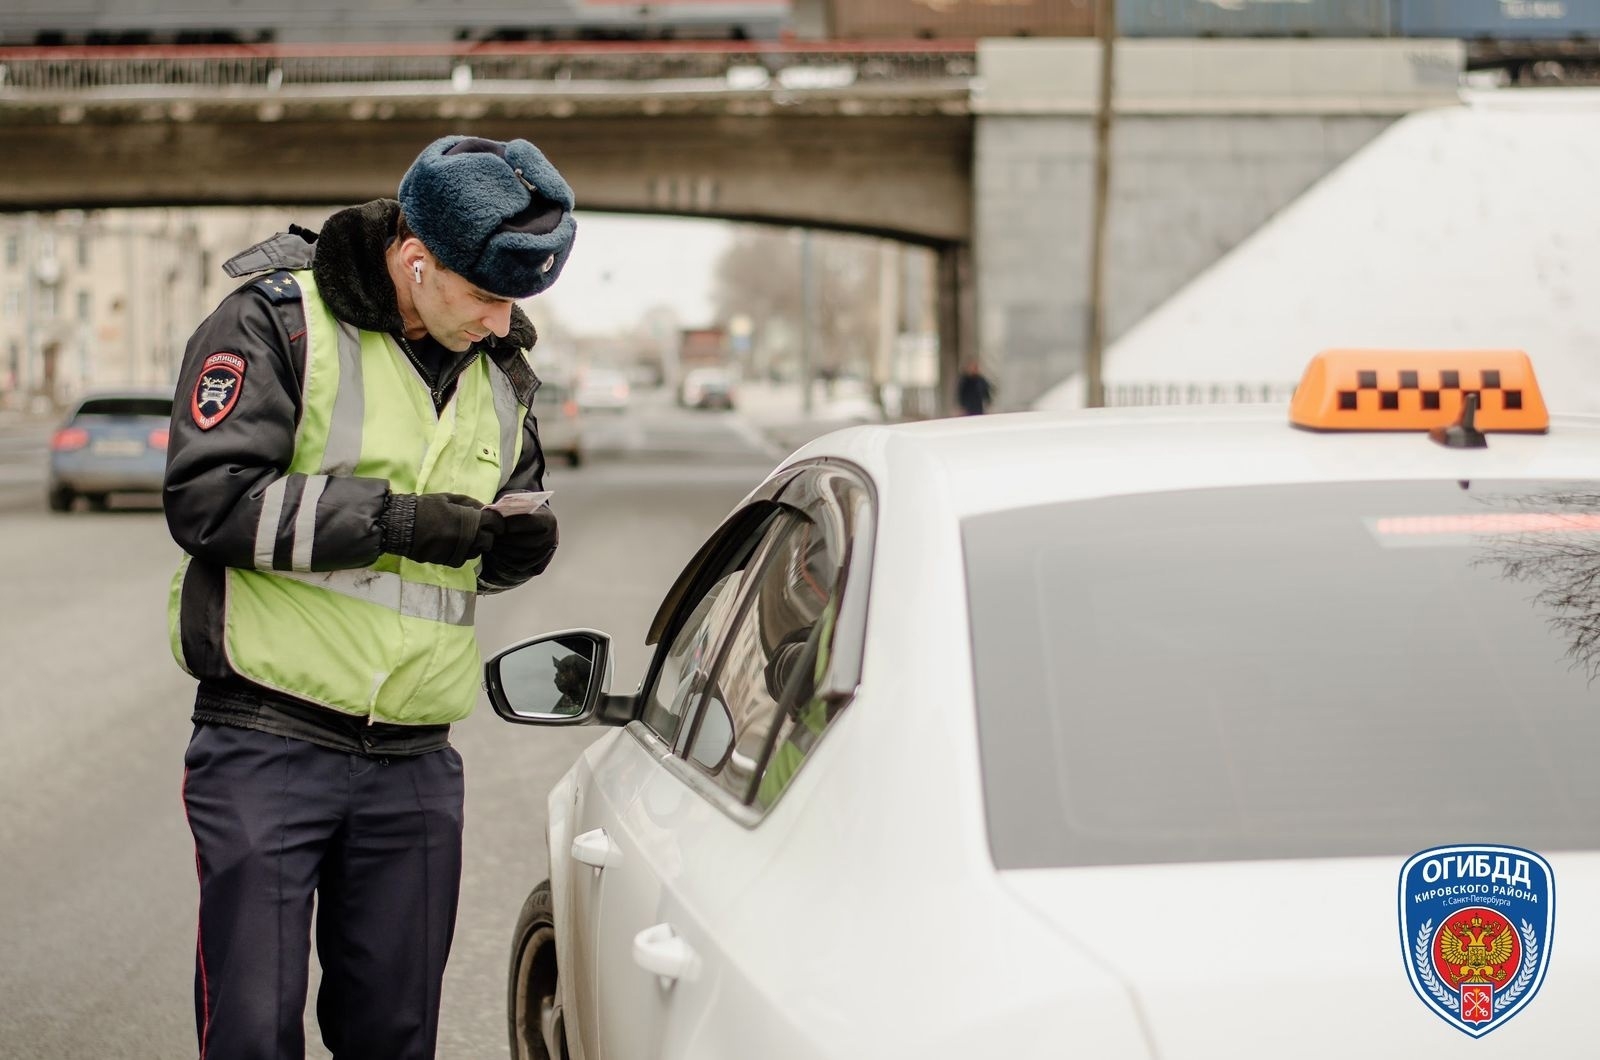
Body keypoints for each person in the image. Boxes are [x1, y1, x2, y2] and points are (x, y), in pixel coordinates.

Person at [163, 134, 576, 1060]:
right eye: (484, 294)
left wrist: (517, 546)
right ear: (415, 257)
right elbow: (208, 500)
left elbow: (492, 523)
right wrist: (395, 521)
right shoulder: (277, 323)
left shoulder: (503, 369)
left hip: (415, 766)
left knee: (393, 1035)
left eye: (515, 299)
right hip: (269, 740)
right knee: (254, 1032)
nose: (502, 322)